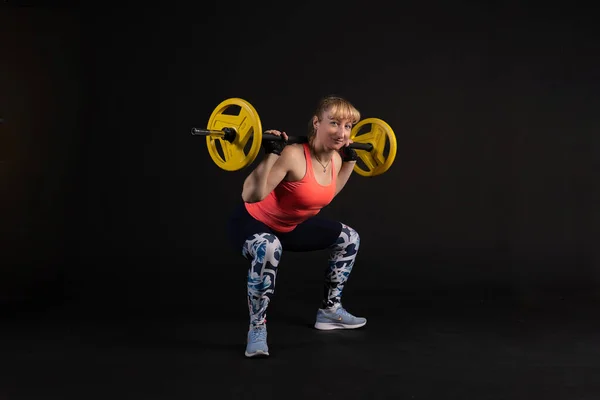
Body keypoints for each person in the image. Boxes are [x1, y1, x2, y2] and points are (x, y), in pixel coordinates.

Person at [227, 95, 367, 358]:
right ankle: (257, 328)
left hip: (290, 227)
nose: (342, 132)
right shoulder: (292, 154)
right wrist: (272, 155)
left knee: (349, 238)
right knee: (269, 247)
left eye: (348, 126)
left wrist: (350, 161)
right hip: (252, 223)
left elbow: (327, 194)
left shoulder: (336, 158)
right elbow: (251, 195)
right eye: (334, 123)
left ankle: (329, 311)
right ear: (317, 123)